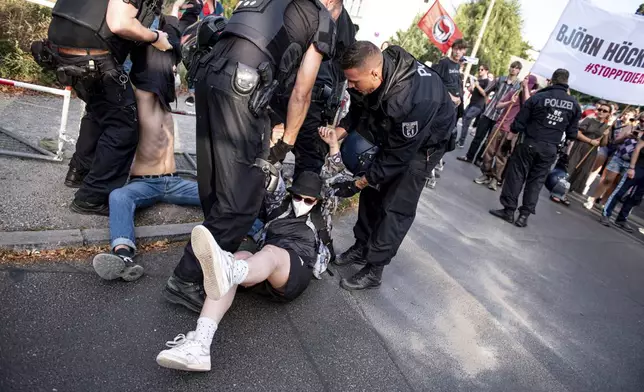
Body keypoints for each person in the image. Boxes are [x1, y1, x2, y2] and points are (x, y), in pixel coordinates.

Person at [163, 0, 343, 313]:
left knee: (216, 185)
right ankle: (186, 279)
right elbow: (303, 90)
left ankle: (209, 259)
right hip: (242, 86)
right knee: (242, 200)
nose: (334, 20)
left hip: (210, 74)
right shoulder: (321, 14)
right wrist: (286, 141)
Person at [155, 171, 330, 371]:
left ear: (316, 201)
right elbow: (271, 171)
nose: (301, 202)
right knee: (238, 258)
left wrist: (334, 145)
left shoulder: (321, 218)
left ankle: (228, 269)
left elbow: (338, 179)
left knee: (269, 253)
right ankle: (200, 346)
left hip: (295, 269)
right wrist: (278, 144)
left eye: (308, 200)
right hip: (263, 266)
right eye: (298, 197)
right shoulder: (279, 205)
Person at [330, 42, 456, 290]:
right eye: (350, 82)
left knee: (395, 205)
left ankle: (374, 269)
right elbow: (358, 108)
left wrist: (357, 182)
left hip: (424, 146)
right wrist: (337, 133)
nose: (352, 87)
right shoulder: (370, 69)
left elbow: (397, 157)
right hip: (395, 131)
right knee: (372, 192)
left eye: (355, 82)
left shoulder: (414, 99)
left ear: (375, 74)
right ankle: (361, 246)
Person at [91, 14, 201, 281]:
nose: (171, 72)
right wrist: (151, 34)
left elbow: (170, 58)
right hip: (145, 183)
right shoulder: (139, 95)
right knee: (119, 196)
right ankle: (122, 254)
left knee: (218, 193)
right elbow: (143, 57)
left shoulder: (166, 105)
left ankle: (259, 229)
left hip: (174, 181)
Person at [37, 0, 173, 215]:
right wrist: (155, 37)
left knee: (98, 111)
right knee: (123, 127)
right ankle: (93, 197)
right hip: (93, 55)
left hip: (61, 49)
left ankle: (79, 172)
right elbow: (120, 23)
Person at [269, 5, 356, 179]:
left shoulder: (344, 25)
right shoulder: (303, 8)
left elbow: (343, 71)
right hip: (286, 95)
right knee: (269, 159)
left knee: (308, 171)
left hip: (315, 103)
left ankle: (304, 202)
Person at [489, 68, 582, 227]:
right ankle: (524, 215)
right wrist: (565, 154)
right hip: (550, 148)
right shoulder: (574, 105)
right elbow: (572, 134)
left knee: (516, 175)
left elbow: (518, 123)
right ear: (567, 83)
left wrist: (507, 141)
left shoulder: (538, 98)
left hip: (529, 143)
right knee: (536, 182)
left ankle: (509, 210)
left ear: (551, 80)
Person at [475, 75, 537, 191]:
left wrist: (525, 89)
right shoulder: (513, 92)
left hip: (512, 131)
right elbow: (498, 105)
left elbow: (528, 103)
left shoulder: (532, 97)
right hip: (500, 125)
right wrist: (510, 102)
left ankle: (495, 178)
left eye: (527, 81)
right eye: (524, 79)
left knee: (502, 156)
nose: (524, 82)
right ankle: (486, 173)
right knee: (489, 151)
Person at [457, 61, 522, 164]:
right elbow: (486, 92)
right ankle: (469, 157)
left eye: (516, 68)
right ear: (509, 68)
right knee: (478, 137)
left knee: (489, 140)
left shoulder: (518, 86)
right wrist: (487, 103)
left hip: (501, 117)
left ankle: (479, 159)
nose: (513, 69)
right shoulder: (500, 79)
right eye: (512, 67)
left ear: (519, 71)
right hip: (489, 112)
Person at [551, 101, 611, 204]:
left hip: (591, 152)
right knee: (570, 169)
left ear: (608, 114)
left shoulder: (607, 127)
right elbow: (577, 134)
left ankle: (565, 194)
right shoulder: (589, 120)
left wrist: (605, 135)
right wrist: (590, 141)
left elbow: (603, 144)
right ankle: (557, 192)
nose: (601, 112)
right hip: (579, 147)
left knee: (580, 172)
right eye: (600, 109)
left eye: (604, 111)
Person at [584, 113, 644, 210]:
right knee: (608, 179)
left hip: (632, 162)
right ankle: (592, 199)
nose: (642, 123)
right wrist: (625, 137)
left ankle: (603, 202)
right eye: (641, 120)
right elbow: (615, 141)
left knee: (616, 184)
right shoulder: (630, 127)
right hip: (619, 157)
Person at [599, 130, 644, 233]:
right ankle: (606, 214)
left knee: (636, 197)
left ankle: (621, 219)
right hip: (639, 167)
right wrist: (632, 167)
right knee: (620, 191)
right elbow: (637, 149)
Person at [457, 64, 490, 148]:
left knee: (467, 118)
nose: (479, 71)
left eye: (482, 69)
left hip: (478, 105)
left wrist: (477, 85)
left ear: (486, 71)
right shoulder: (478, 79)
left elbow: (484, 93)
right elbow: (473, 92)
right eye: (479, 69)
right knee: (464, 119)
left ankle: (461, 142)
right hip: (472, 103)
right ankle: (461, 140)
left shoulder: (487, 81)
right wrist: (472, 87)